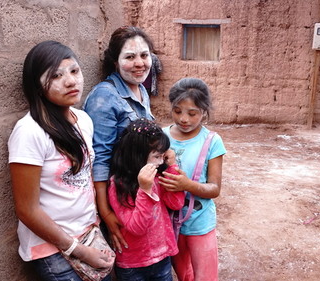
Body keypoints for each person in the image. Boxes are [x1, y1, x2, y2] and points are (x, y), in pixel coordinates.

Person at [8, 40, 114, 281]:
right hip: (53, 248)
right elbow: (26, 209)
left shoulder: (83, 120)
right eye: (56, 75)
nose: (70, 81)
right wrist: (78, 250)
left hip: (89, 233)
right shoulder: (29, 132)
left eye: (74, 71)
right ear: (36, 85)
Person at [83, 26, 155, 251]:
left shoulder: (140, 89)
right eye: (130, 57)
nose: (140, 63)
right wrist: (105, 212)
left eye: (144, 55)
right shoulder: (104, 97)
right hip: (119, 199)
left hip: (139, 192)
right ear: (115, 61)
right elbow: (100, 159)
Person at [159, 78, 227, 281]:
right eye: (177, 111)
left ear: (204, 111)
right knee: (183, 273)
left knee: (205, 275)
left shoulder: (212, 141)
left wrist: (187, 186)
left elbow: (214, 189)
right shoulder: (162, 136)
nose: (184, 119)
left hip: (200, 223)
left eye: (192, 113)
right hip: (169, 222)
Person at [108, 118, 185, 280]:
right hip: (133, 265)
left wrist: (171, 168)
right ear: (137, 156)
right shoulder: (119, 185)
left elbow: (176, 204)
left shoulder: (158, 176)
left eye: (162, 156)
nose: (160, 162)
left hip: (162, 257)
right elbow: (137, 228)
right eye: (156, 156)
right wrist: (144, 190)